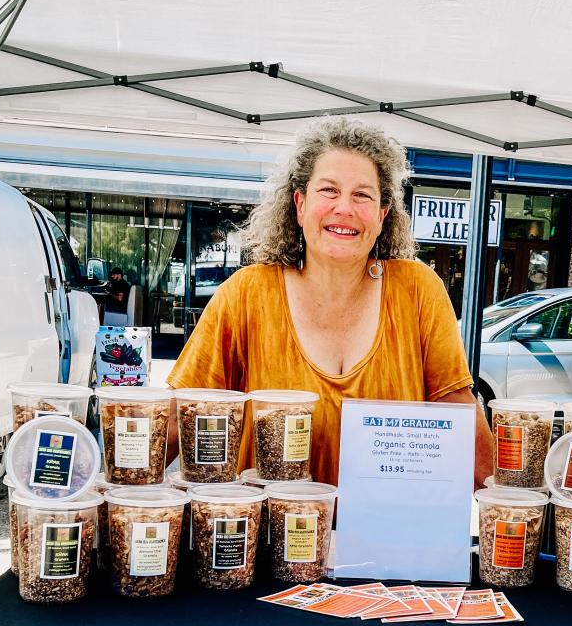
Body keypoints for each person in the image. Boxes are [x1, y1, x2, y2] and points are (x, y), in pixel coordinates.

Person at [167, 118, 494, 485]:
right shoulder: (247, 294)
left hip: (385, 535)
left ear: (383, 215)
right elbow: (184, 411)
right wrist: (114, 476)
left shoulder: (417, 290)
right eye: (329, 190)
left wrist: (509, 500)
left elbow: (457, 410)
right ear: (300, 204)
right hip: (267, 537)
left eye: (363, 195)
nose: (345, 208)